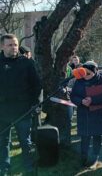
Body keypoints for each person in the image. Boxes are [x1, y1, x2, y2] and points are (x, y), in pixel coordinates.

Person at [0, 34, 42, 175]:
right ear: (2, 46)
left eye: (15, 44)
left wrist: (34, 103)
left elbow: (36, 85)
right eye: (10, 45)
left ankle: (29, 168)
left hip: (23, 110)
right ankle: (4, 168)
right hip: (2, 111)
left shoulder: (27, 63)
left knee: (26, 142)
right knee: (3, 142)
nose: (14, 47)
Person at [70, 61, 102, 168]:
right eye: (84, 73)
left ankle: (94, 157)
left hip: (98, 114)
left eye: (88, 73)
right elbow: (73, 95)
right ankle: (83, 158)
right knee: (84, 137)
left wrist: (92, 100)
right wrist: (81, 101)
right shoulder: (79, 81)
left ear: (95, 71)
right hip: (84, 114)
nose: (86, 76)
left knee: (97, 136)